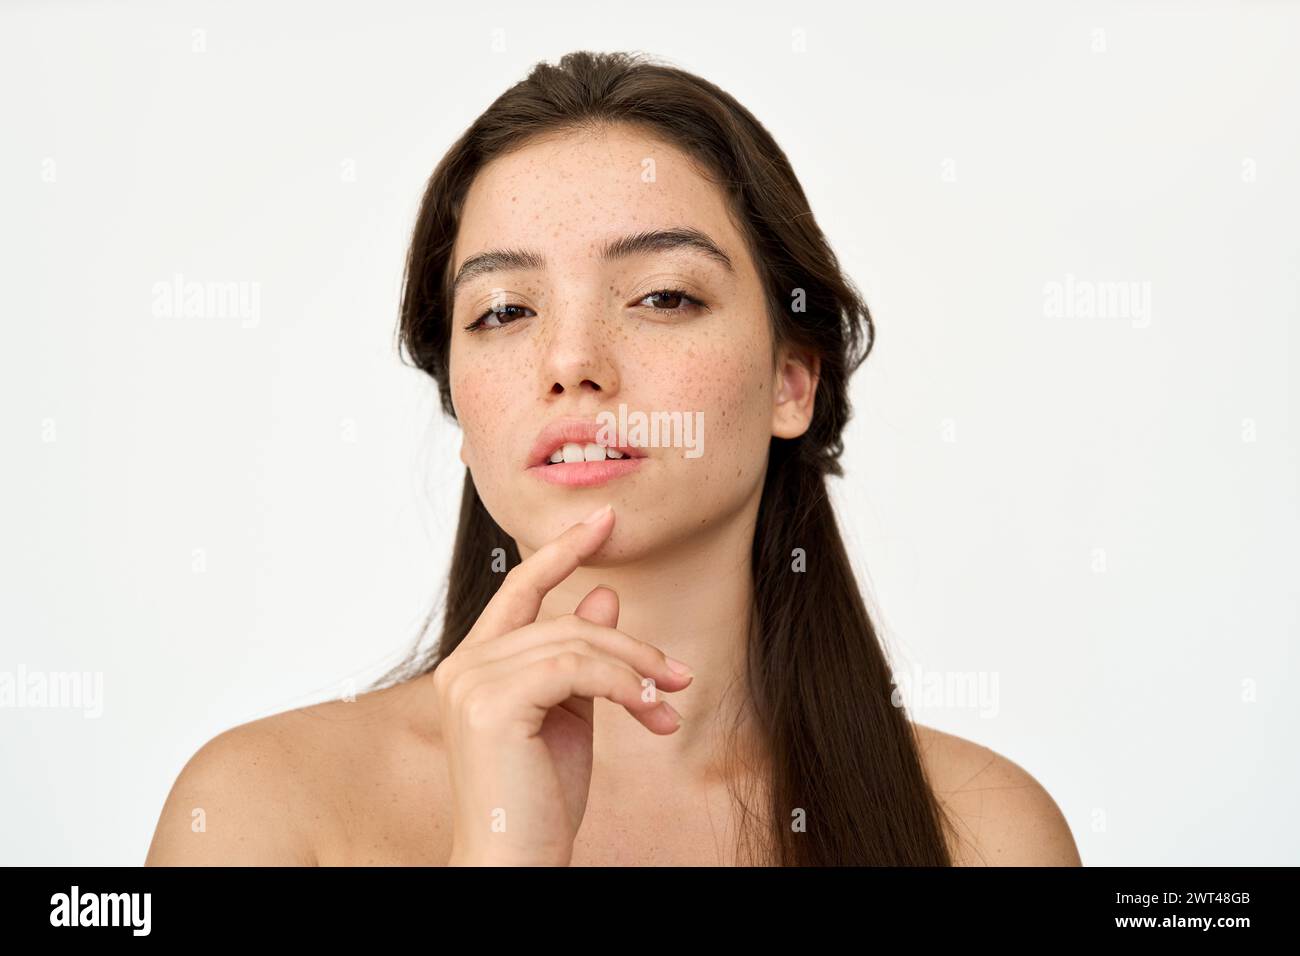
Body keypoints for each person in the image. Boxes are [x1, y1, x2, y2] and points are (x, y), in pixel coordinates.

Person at [146, 50, 1081, 867]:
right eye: (505, 312)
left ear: (792, 382)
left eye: (664, 296)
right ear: (462, 411)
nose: (571, 365)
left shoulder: (987, 833)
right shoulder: (256, 810)